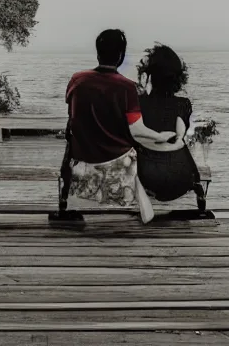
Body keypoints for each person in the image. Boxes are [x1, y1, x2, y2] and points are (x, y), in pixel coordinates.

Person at [60, 29, 177, 223]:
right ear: (121, 56)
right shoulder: (127, 88)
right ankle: (141, 200)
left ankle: (64, 201)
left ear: (97, 53)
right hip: (118, 163)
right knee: (138, 149)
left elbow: (73, 115)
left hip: (81, 160)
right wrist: (161, 136)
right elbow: (137, 130)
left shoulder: (77, 80)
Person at [134, 43, 206, 211]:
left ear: (150, 75)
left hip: (147, 177)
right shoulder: (183, 104)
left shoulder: (138, 104)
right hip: (182, 177)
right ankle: (200, 205)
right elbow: (179, 134)